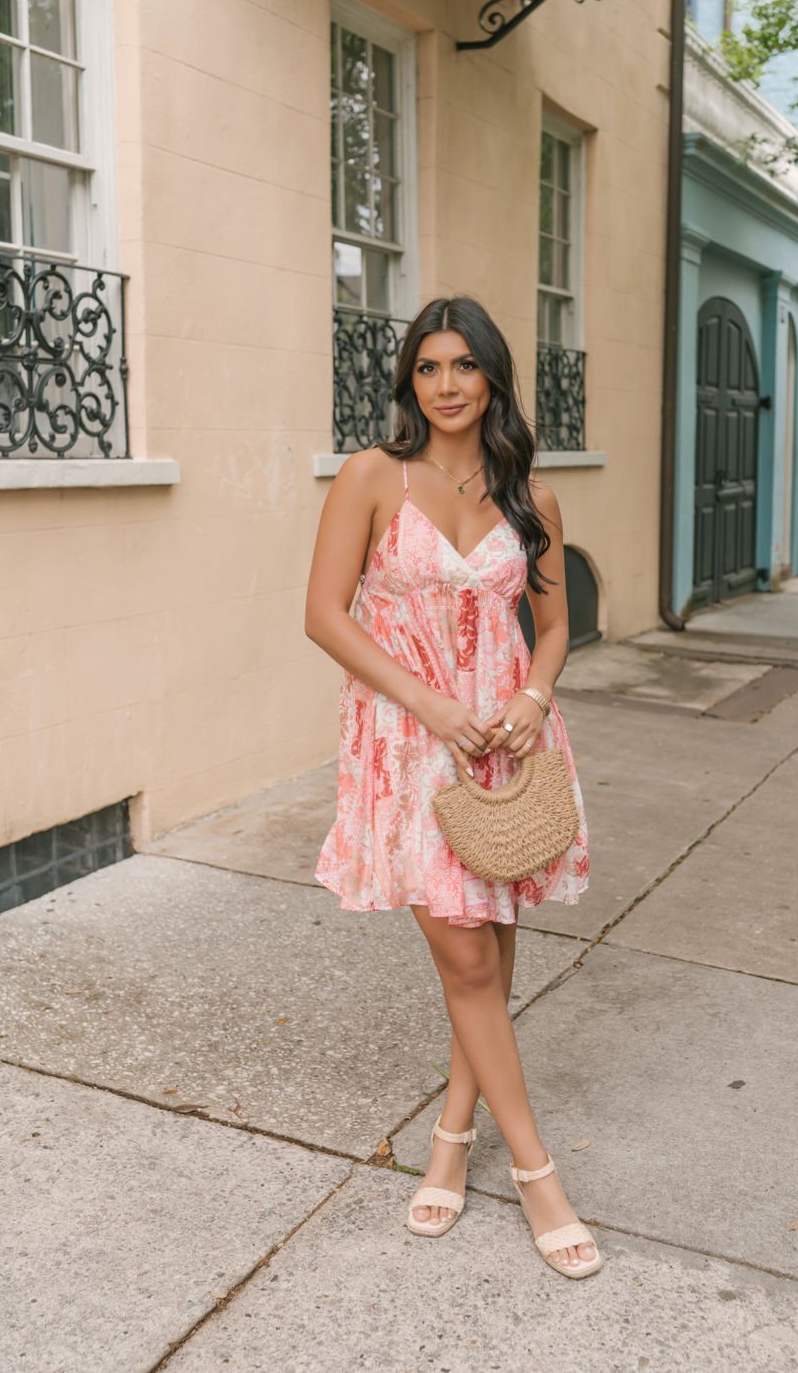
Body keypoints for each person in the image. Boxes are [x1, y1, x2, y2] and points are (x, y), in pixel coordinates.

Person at [304, 295, 601, 1279]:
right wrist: (431, 707)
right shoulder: (371, 476)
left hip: (506, 744)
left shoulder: (530, 496)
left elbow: (554, 627)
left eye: (463, 367)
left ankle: (452, 1135)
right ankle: (536, 1175)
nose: (444, 386)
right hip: (410, 741)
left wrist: (531, 692)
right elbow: (324, 616)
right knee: (468, 961)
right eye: (427, 368)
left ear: (491, 378)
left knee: (491, 949)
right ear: (409, 381)